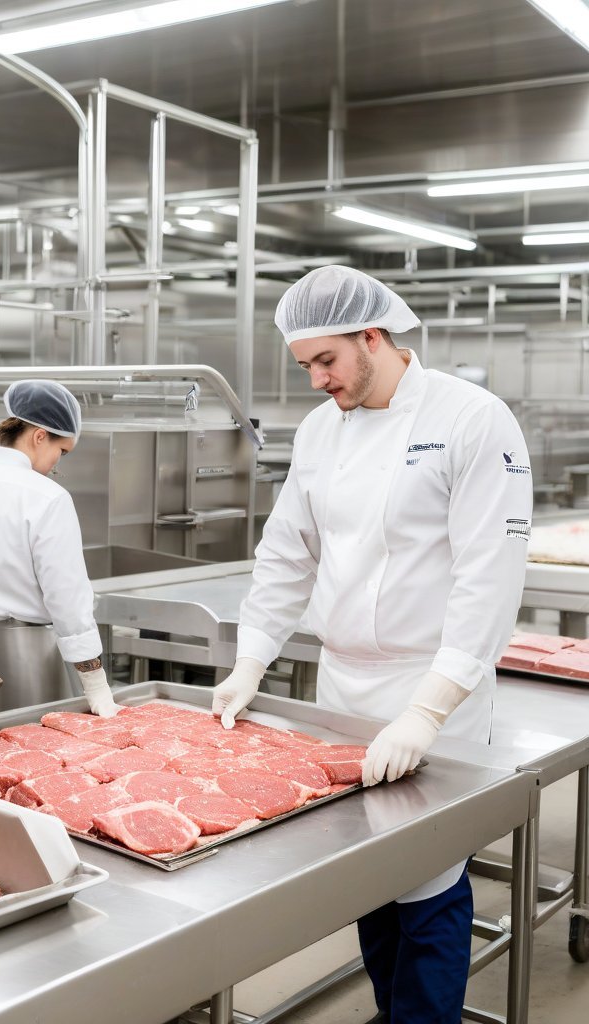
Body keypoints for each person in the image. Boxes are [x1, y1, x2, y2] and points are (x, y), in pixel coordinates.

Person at [213, 265, 532, 1023]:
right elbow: (288, 553)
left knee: (428, 880)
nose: (316, 380)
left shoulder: (472, 418)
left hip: (434, 687)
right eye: (305, 365)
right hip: (344, 688)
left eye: (326, 360)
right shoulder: (322, 430)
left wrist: (427, 712)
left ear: (372, 336)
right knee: (368, 878)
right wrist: (251, 659)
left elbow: (488, 579)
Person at [0, 379, 118, 718]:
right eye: (61, 451)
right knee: (34, 749)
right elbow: (66, 595)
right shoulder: (47, 496)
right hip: (29, 664)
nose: (57, 463)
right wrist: (95, 681)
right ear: (39, 436)